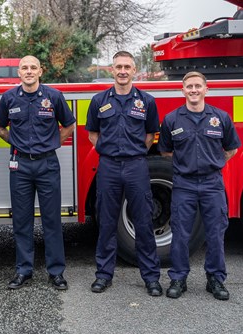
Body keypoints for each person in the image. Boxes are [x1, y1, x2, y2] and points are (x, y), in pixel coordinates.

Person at [0, 56, 75, 290]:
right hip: (19, 165)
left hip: (47, 164)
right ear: (18, 73)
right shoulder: (9, 98)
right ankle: (23, 270)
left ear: (40, 71)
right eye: (24, 68)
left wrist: (52, 143)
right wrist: (15, 141)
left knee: (52, 220)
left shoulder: (54, 97)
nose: (29, 71)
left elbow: (69, 124)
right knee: (21, 220)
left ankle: (56, 272)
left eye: (33, 68)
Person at [85, 51, 162, 296]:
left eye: (127, 67)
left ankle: (151, 277)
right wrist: (109, 153)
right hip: (108, 167)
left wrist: (136, 152)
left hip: (136, 166)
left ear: (134, 70)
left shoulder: (146, 101)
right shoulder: (99, 100)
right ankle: (104, 275)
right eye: (118, 66)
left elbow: (151, 135)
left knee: (143, 221)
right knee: (106, 222)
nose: (122, 71)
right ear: (112, 69)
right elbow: (93, 134)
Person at [158, 71, 240, 300]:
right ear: (182, 90)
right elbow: (165, 150)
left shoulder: (220, 117)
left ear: (206, 89)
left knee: (215, 233)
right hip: (184, 184)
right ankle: (178, 278)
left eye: (197, 86)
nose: (193, 90)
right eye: (189, 87)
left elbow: (231, 148)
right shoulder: (172, 119)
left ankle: (215, 279)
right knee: (181, 234)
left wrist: (215, 164)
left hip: (212, 184)